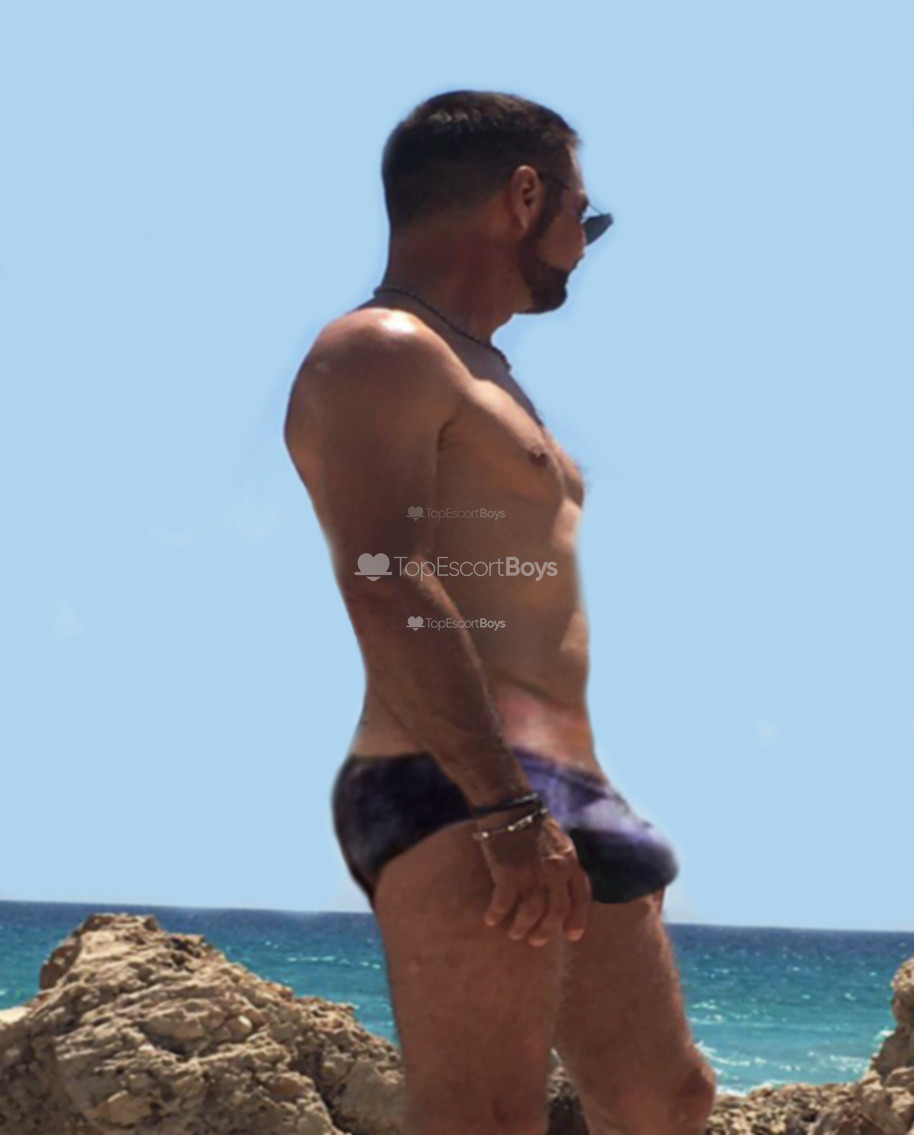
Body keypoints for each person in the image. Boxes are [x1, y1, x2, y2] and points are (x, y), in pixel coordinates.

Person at [284, 89, 717, 1135]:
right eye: (581, 215)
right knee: (483, 1118)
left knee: (666, 1101)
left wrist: (568, 795)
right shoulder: (383, 348)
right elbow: (385, 577)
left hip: (554, 786)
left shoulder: (479, 369)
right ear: (523, 196)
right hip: (456, 783)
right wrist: (504, 806)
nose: (582, 245)